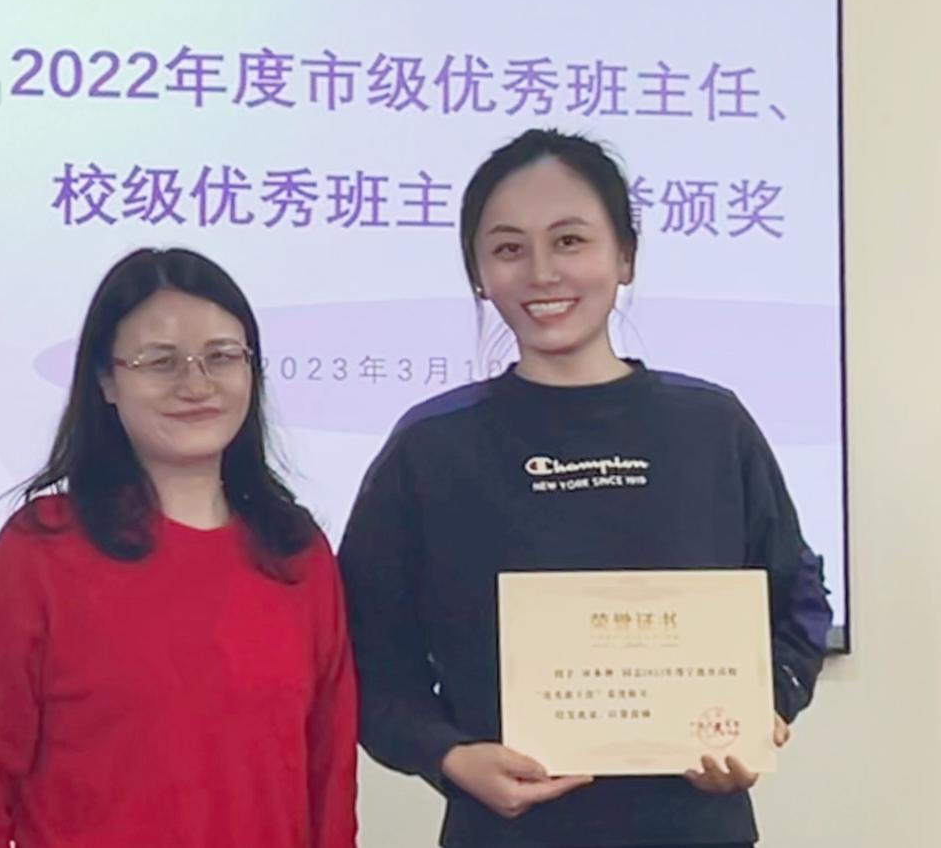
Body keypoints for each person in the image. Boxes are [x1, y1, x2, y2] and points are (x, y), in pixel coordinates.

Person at [339, 129, 832, 848]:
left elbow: (799, 599)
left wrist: (767, 708)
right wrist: (449, 756)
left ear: (625, 256)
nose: (542, 272)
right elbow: (362, 647)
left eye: (570, 241)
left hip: (695, 829)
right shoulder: (431, 446)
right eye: (508, 248)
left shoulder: (710, 425)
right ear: (478, 273)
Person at [0, 246, 358, 848]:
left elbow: (330, 782)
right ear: (106, 381)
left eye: (222, 357)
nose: (196, 384)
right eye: (161, 362)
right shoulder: (40, 552)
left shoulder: (297, 554)